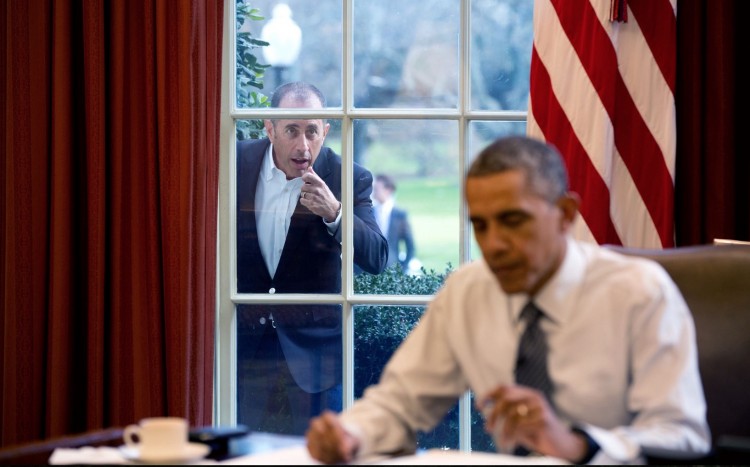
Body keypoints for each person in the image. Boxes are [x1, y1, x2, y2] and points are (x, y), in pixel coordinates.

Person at [305, 135, 710, 464]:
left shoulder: (639, 293)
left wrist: (577, 446)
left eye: (513, 221)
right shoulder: (469, 291)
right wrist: (350, 434)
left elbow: (682, 432)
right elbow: (400, 402)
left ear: (566, 214)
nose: (494, 244)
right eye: (481, 225)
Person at [236, 82, 388, 435]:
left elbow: (378, 257)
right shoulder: (234, 163)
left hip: (316, 358)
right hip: (242, 347)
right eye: (291, 130)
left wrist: (335, 212)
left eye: (312, 131)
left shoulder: (348, 177)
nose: (304, 145)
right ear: (269, 128)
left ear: (326, 131)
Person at [372, 174, 416, 273]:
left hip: (392, 270)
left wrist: (403, 269)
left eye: (376, 189)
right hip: (369, 270)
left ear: (388, 190)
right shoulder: (369, 212)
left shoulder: (400, 214)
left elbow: (410, 245)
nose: (374, 192)